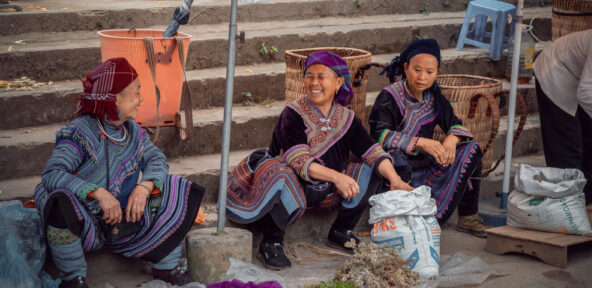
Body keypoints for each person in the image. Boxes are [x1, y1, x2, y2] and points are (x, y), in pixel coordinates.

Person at [226, 51, 411, 270]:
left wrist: (395, 180)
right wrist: (338, 176)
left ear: (338, 82)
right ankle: (271, 241)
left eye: (321, 76)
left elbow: (372, 150)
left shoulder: (346, 117)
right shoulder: (292, 114)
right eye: (309, 76)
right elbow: (298, 159)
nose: (314, 82)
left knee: (372, 169)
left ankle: (342, 230)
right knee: (280, 171)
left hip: (327, 192)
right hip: (291, 189)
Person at [34, 58, 205, 288]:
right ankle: (74, 278)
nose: (142, 99)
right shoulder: (79, 132)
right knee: (58, 201)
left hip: (129, 224)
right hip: (89, 225)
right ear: (116, 98)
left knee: (177, 188)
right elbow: (53, 173)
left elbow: (156, 158)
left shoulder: (133, 131)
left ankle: (165, 267)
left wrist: (144, 187)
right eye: (136, 92)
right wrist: (97, 193)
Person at [369, 39, 488, 237]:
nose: (422, 77)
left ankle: (468, 216)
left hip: (427, 165)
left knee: (471, 149)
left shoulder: (434, 97)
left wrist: (451, 140)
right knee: (395, 159)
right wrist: (421, 142)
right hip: (399, 169)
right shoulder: (390, 96)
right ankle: (417, 219)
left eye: (430, 72)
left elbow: (456, 125)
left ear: (437, 73)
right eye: (417, 70)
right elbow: (379, 136)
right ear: (406, 67)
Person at [533, 29, 592, 203]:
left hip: (581, 79)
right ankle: (566, 199)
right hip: (554, 70)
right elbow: (586, 93)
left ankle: (590, 192)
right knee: (567, 141)